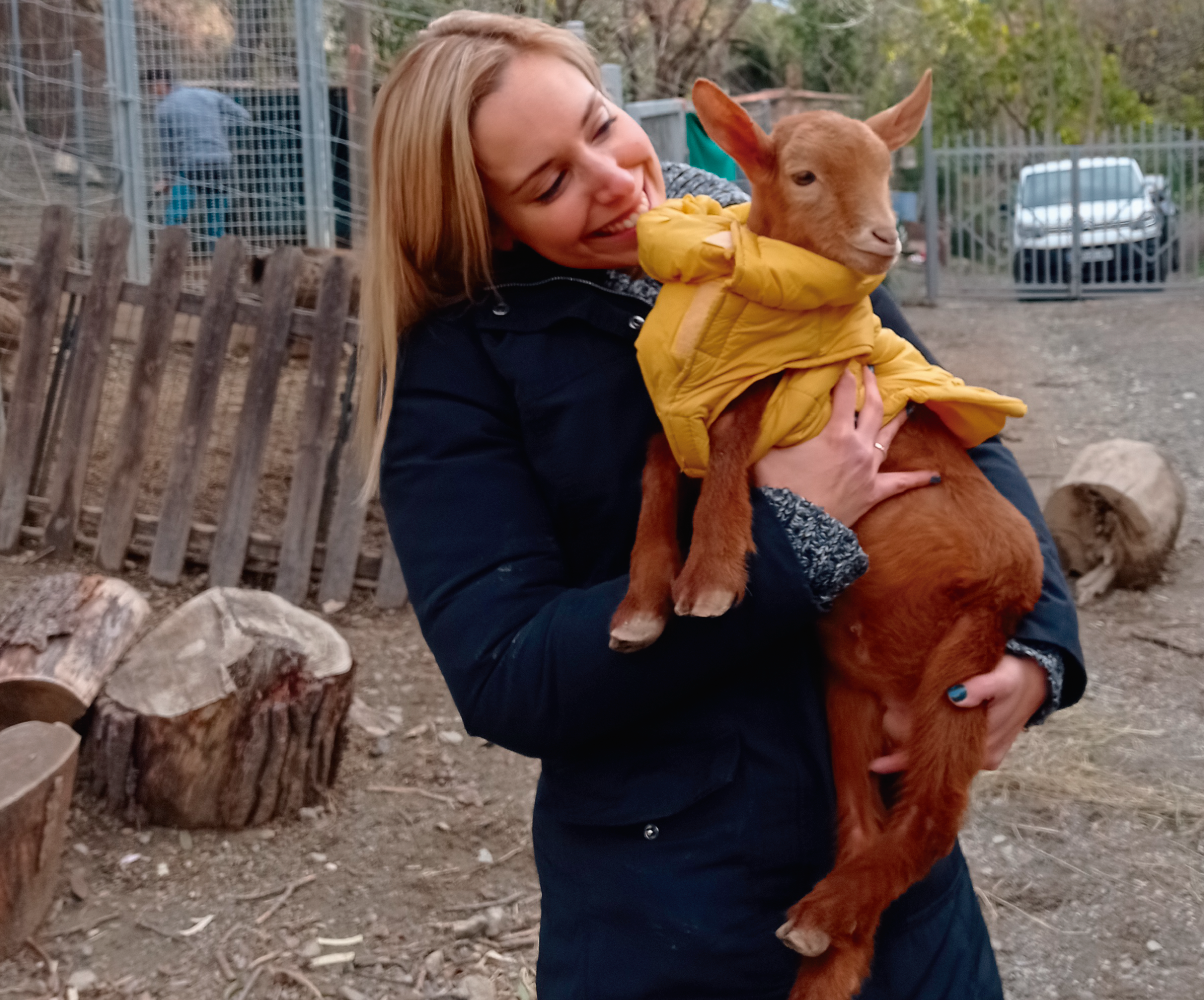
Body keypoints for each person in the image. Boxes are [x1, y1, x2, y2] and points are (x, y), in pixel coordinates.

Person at [361, 12, 1086, 998]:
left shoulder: (787, 244)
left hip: (900, 908)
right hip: (680, 921)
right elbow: (507, 674)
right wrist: (793, 530)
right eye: (550, 182)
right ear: (486, 222)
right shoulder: (461, 370)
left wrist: (1038, 654)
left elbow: (957, 427)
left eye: (601, 123)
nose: (616, 177)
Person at [145, 68, 249, 241]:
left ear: (160, 84)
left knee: (175, 215)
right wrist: (219, 134)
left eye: (151, 88)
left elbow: (168, 148)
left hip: (192, 164)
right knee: (216, 217)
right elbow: (243, 116)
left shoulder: (164, 108)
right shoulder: (209, 95)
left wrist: (167, 178)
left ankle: (169, 252)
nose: (152, 93)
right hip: (220, 160)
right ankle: (217, 258)